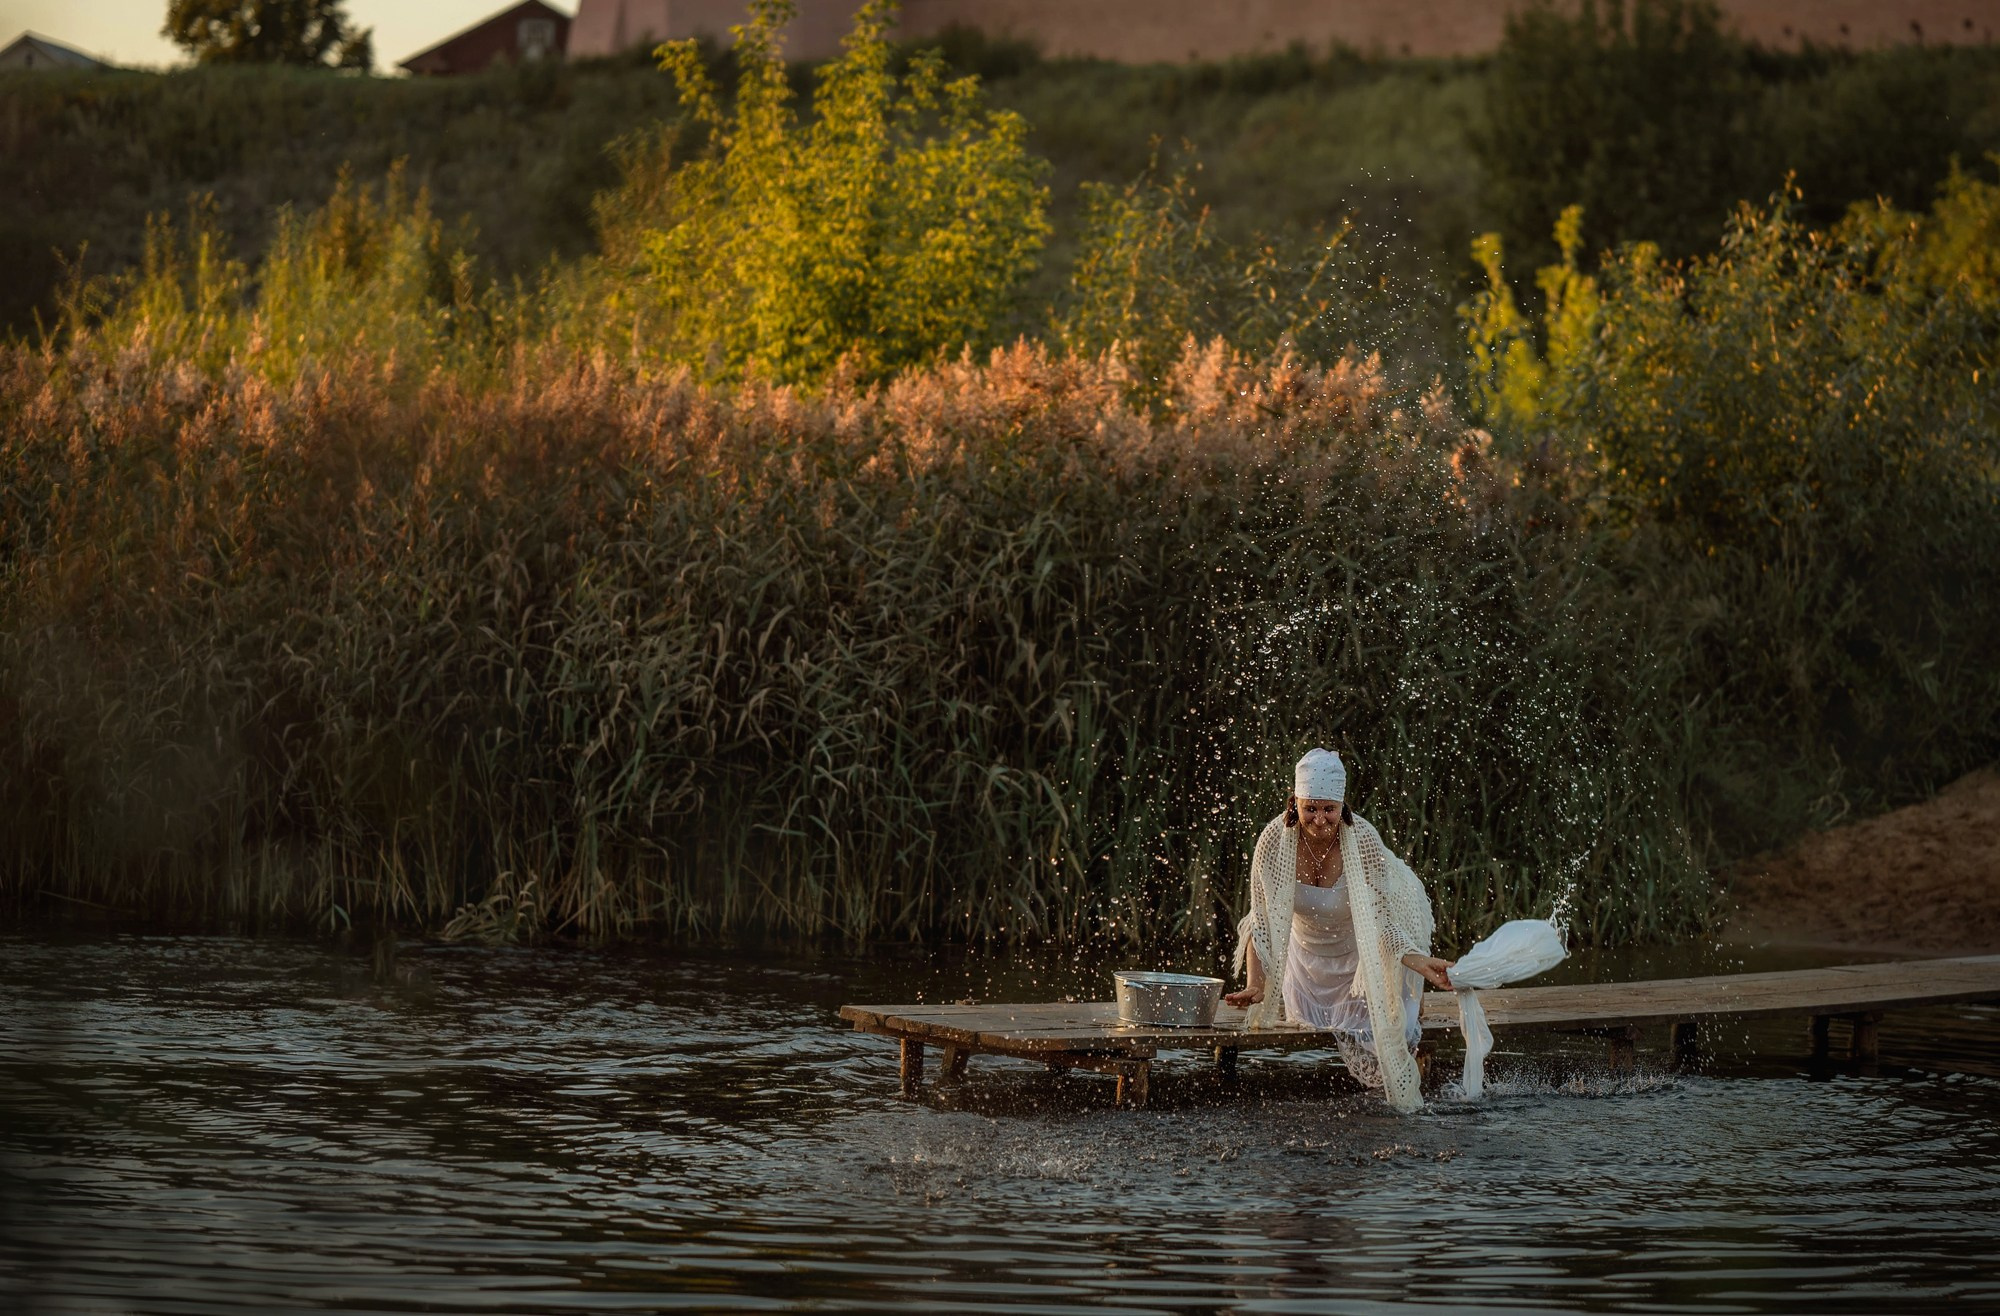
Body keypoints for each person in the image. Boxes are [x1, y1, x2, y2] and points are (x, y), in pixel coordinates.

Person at [1224, 748, 1454, 1112]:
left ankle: (1409, 989)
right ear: (1294, 804)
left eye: (1328, 809)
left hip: (1359, 957)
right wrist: (1257, 984)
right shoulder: (1272, 841)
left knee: (1395, 1025)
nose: (1319, 820)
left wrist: (1419, 962)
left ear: (1342, 807)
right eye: (1310, 809)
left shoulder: (1362, 841)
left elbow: (1382, 922)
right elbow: (1261, 921)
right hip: (1307, 963)